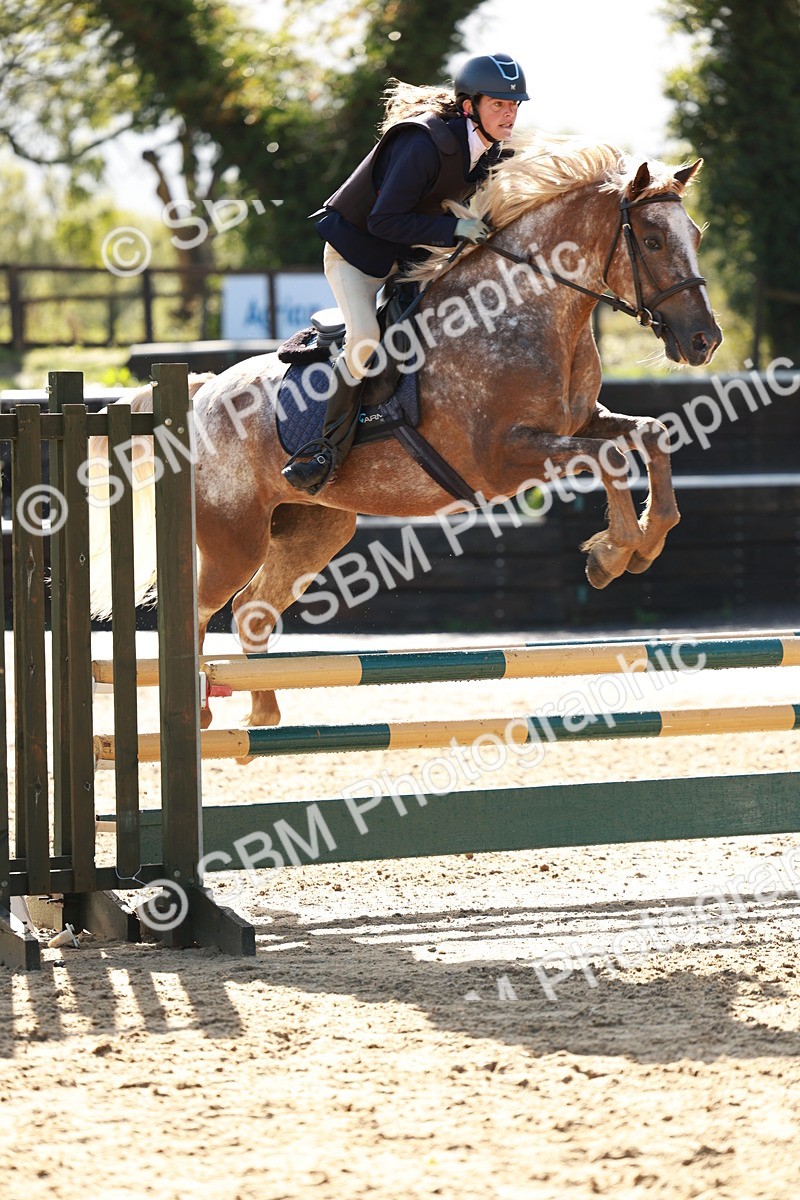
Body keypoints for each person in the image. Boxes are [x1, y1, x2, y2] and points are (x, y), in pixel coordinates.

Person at [281, 52, 529, 494]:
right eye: (499, 105)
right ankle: (324, 449)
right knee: (364, 341)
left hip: (410, 256)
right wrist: (454, 227)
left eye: (514, 105)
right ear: (470, 106)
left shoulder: (491, 148)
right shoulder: (422, 144)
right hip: (359, 256)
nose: (509, 114)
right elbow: (383, 221)